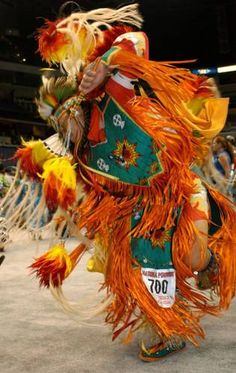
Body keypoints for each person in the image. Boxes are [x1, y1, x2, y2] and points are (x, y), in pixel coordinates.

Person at [2, 3, 236, 362]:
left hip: (178, 193)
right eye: (60, 124)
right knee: (143, 265)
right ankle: (166, 324)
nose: (67, 127)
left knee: (192, 257)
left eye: (68, 117)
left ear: (79, 105)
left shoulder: (117, 95)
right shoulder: (82, 158)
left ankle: (208, 265)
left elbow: (136, 40)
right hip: (138, 214)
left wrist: (104, 65)